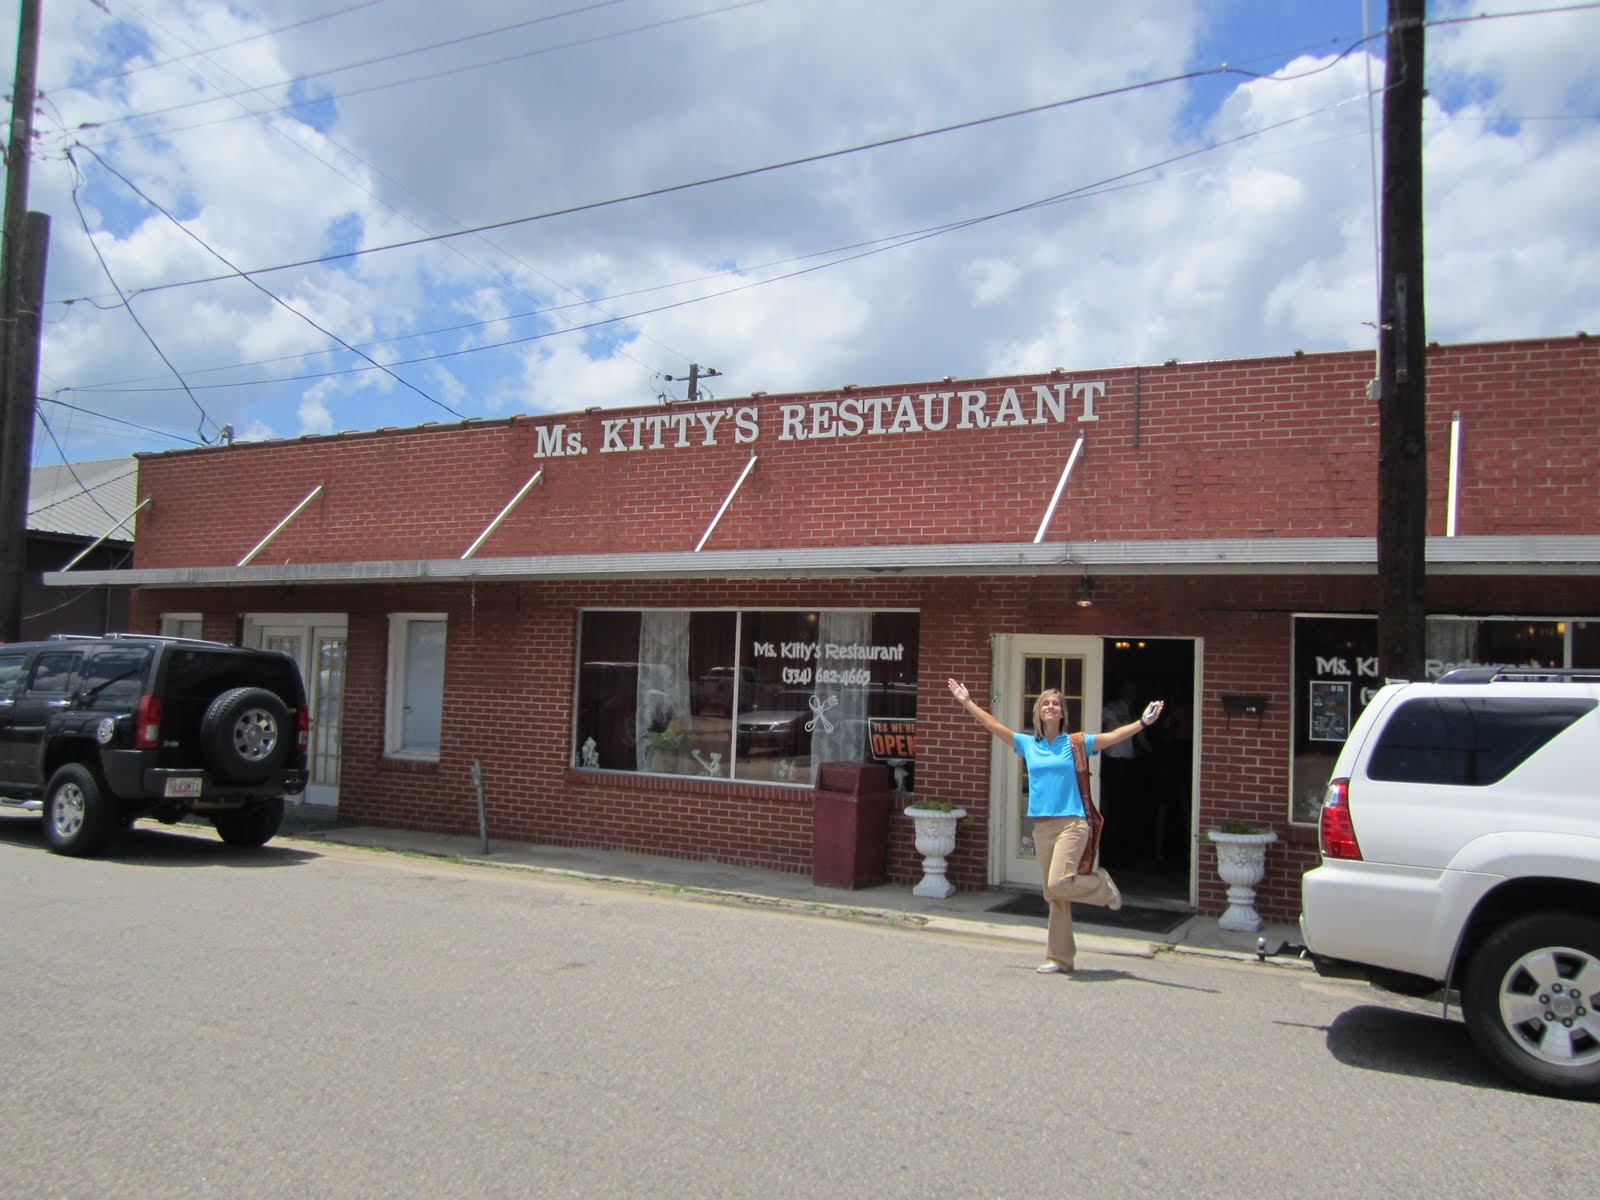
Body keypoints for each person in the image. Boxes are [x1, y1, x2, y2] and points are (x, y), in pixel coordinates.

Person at [947, 676, 1164, 976]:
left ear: (1062, 713)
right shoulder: (1028, 744)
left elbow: (1111, 738)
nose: (1051, 707)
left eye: (1056, 704)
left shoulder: (1074, 743)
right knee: (1055, 896)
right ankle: (1060, 959)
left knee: (1059, 883)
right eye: (1046, 703)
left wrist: (1142, 722)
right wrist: (967, 702)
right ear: (1038, 712)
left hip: (1071, 824)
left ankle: (1102, 886)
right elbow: (995, 727)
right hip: (1042, 828)